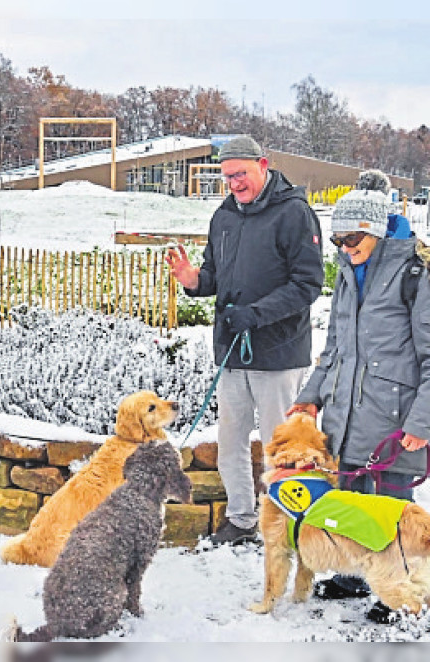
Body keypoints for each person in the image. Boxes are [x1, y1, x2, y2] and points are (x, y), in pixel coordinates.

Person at [285, 170, 430, 619]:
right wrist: (311, 397)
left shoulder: (418, 276)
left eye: (353, 238)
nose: (345, 247)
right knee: (349, 500)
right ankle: (352, 574)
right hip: (347, 415)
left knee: (391, 510)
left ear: (377, 229)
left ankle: (401, 590)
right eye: (339, 240)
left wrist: (421, 423)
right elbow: (336, 349)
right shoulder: (348, 272)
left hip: (396, 420)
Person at [166, 135, 324, 545]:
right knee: (230, 442)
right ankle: (241, 519)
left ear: (263, 165)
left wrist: (256, 314)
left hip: (279, 352)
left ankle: (289, 525)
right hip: (233, 348)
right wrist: (193, 282)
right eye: (228, 176)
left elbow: (308, 285)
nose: (234, 183)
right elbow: (215, 276)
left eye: (241, 174)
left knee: (283, 449)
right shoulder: (224, 216)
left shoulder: (294, 213)